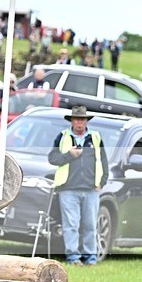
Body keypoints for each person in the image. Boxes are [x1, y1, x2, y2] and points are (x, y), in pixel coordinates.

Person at [48, 106, 109, 266]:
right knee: (71, 225)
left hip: (91, 189)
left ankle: (90, 259)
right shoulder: (62, 136)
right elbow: (52, 158)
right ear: (72, 121)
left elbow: (103, 161)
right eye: (76, 119)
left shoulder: (95, 137)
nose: (79, 122)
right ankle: (73, 258)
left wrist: (102, 182)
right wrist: (69, 155)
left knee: (90, 225)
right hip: (68, 189)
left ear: (86, 121)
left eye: (82, 119)